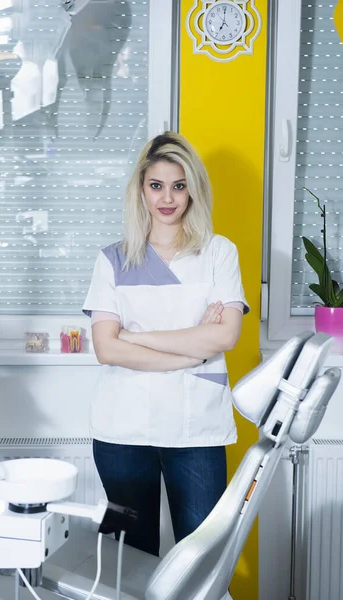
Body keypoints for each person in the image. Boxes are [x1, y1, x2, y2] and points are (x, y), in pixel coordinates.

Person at [83, 131, 249, 557]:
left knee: (201, 554)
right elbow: (107, 349)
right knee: (124, 555)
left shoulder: (218, 253)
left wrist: (135, 338)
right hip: (122, 430)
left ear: (193, 189)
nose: (168, 198)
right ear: (141, 189)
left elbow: (225, 335)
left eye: (179, 185)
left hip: (197, 429)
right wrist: (194, 350)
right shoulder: (112, 259)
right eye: (156, 185)